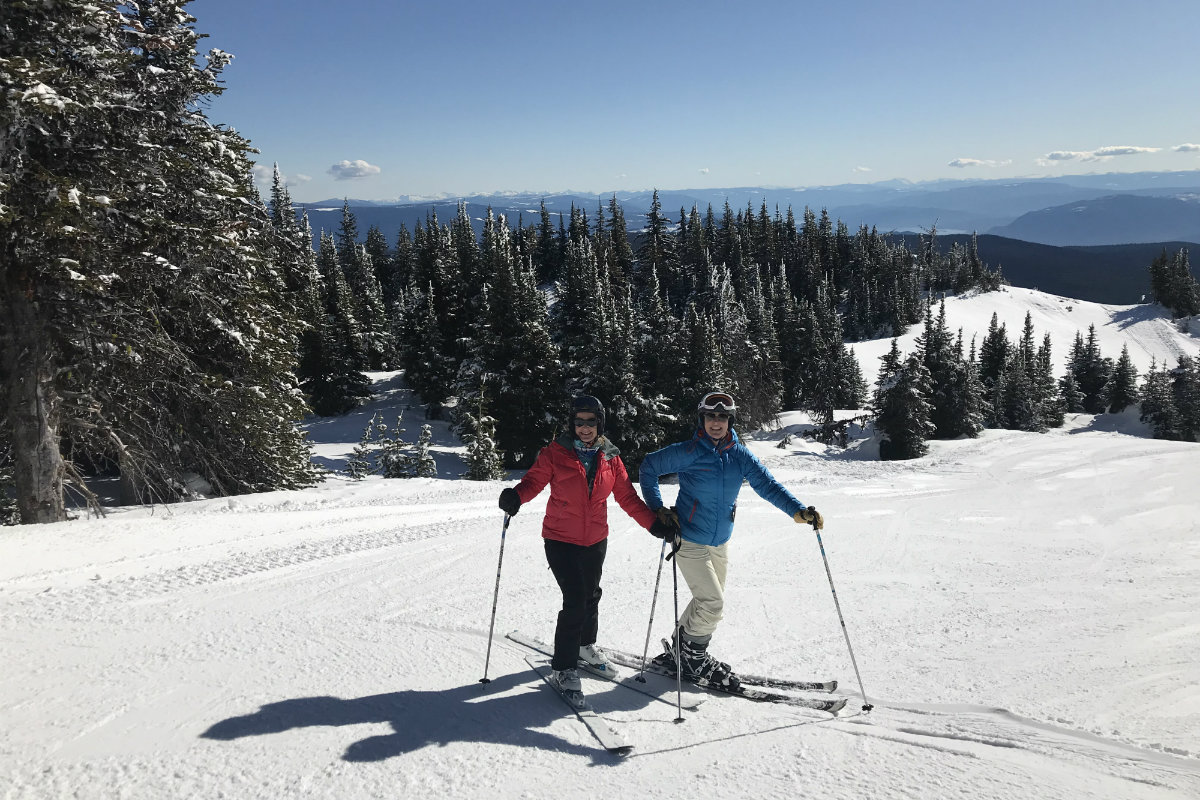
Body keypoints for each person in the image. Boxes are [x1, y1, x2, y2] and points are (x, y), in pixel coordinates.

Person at [638, 391, 823, 689]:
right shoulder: (689, 451)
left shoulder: (740, 455)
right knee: (712, 603)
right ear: (702, 419)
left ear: (730, 420)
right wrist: (657, 509)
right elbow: (648, 467)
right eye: (711, 416)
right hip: (690, 539)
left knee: (707, 602)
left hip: (720, 541)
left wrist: (797, 511)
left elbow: (767, 485)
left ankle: (680, 650)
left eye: (722, 417)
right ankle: (694, 658)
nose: (716, 422)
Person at [498, 395, 677, 699]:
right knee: (576, 599)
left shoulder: (610, 457)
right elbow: (533, 481)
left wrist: (654, 524)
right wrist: (516, 497)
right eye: (579, 421)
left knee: (591, 594)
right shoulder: (555, 453)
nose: (584, 427)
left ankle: (583, 647)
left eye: (590, 421)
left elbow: (627, 498)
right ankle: (564, 666)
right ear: (572, 423)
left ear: (600, 423)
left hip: (595, 539)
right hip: (559, 538)